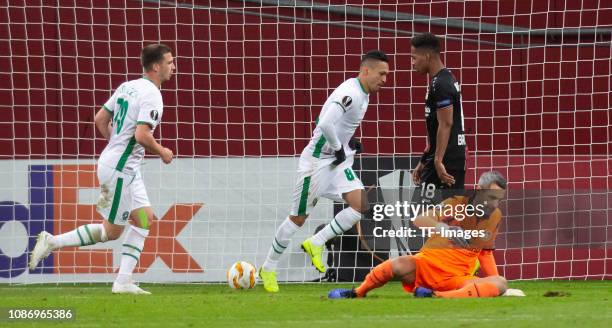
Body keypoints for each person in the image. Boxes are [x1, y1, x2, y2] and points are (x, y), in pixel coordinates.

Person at [28, 44, 175, 295]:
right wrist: (162, 151)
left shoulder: (127, 86)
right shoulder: (152, 94)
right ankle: (52, 241)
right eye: (170, 62)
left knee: (144, 218)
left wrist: (116, 146)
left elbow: (99, 119)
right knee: (111, 232)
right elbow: (141, 135)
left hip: (122, 164)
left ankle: (123, 281)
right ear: (156, 66)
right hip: (120, 168)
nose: (174, 67)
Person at [258, 50, 390, 292]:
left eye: (387, 75)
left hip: (337, 161)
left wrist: (347, 144)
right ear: (366, 70)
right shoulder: (350, 93)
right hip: (317, 162)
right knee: (298, 218)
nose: (385, 80)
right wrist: (340, 147)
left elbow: (339, 127)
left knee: (360, 203)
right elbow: (326, 123)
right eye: (381, 74)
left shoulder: (364, 93)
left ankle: (316, 242)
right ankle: (268, 267)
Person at [329, 171, 508, 299]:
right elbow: (420, 219)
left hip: (457, 277)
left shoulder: (495, 217)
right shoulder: (455, 204)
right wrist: (443, 228)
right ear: (478, 189)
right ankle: (357, 293)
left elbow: (485, 253)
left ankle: (436, 296)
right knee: (399, 264)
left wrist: (495, 285)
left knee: (501, 283)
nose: (494, 203)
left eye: (499, 199)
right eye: (491, 197)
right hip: (425, 267)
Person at [410, 32, 467, 205]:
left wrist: (437, 160)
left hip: (445, 160)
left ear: (427, 56)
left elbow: (446, 123)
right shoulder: (441, 80)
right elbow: (435, 129)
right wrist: (423, 160)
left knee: (424, 217)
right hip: (446, 157)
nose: (412, 63)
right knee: (445, 218)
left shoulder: (441, 83)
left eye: (414, 58)